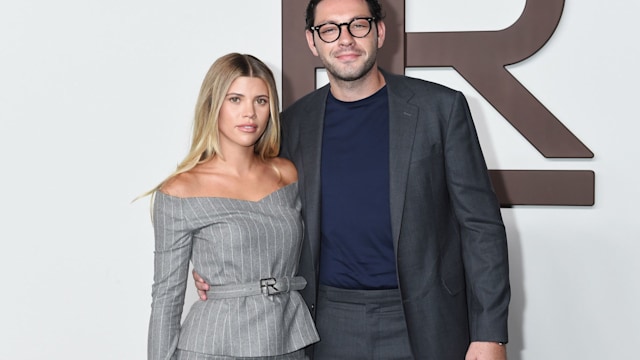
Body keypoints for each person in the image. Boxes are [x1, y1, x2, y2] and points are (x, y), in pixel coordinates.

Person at [195, 0, 510, 358]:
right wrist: (214, 264)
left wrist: (490, 334)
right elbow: (257, 207)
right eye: (329, 29)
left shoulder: (440, 109)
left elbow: (481, 227)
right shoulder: (292, 125)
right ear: (313, 42)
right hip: (325, 325)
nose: (345, 39)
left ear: (379, 31)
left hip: (424, 320)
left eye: (357, 25)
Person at [147, 53, 319, 360]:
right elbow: (166, 298)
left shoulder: (288, 174)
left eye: (261, 101)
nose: (249, 113)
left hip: (287, 340)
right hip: (215, 345)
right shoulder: (180, 191)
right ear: (213, 105)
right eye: (236, 99)